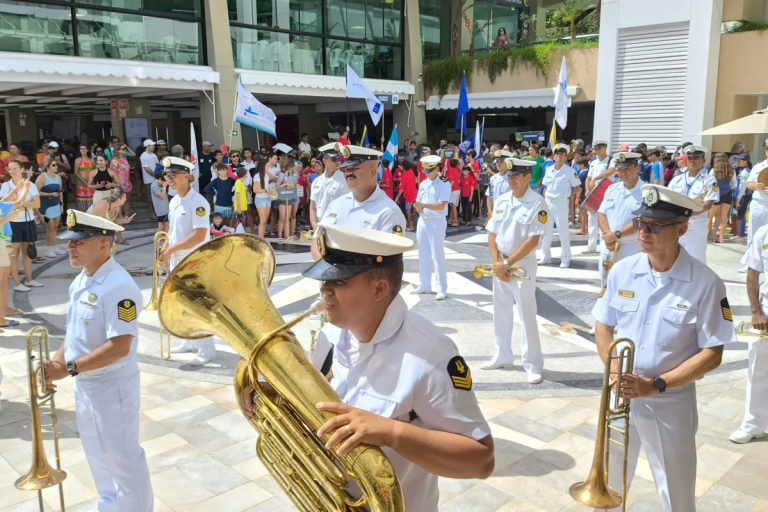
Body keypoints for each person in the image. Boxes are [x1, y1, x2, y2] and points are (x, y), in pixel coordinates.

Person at [238, 224, 494, 511]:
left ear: (379, 289)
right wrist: (284, 398)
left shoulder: (430, 354)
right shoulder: (332, 333)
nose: (324, 289)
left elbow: (481, 460)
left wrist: (392, 433)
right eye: (324, 279)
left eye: (338, 281)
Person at [592, 183, 735, 512]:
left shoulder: (706, 283)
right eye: (640, 223)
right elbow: (603, 325)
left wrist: (656, 384)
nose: (643, 232)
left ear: (681, 230)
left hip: (669, 398)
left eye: (655, 226)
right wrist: (613, 369)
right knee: (607, 485)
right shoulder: (623, 271)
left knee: (675, 491)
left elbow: (713, 353)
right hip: (620, 392)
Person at [44, 210, 153, 512]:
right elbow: (74, 332)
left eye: (79, 242)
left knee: (122, 457)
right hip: (87, 382)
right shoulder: (82, 278)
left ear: (104, 246)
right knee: (97, 453)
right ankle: (110, 506)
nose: (70, 247)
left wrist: (69, 369)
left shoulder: (120, 288)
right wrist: (56, 364)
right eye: (70, 241)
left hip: (112, 385)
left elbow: (120, 347)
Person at [480, 159, 547, 383]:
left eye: (517, 174)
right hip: (500, 263)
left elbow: (533, 240)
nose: (512, 179)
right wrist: (496, 263)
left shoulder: (537, 203)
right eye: (509, 175)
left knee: (526, 314)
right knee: (500, 310)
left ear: (528, 176)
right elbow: (492, 234)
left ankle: (533, 363)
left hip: (522, 264)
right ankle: (503, 354)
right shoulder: (502, 200)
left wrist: (507, 265)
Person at [159, 157, 215, 366]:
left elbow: (199, 236)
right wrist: (166, 247)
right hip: (177, 260)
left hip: (194, 262)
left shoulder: (198, 202)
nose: (169, 180)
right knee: (182, 303)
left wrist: (172, 249)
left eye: (173, 175)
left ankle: (207, 349)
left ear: (186, 176)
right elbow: (174, 231)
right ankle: (189, 341)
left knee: (198, 305)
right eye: (167, 176)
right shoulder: (174, 201)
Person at [313, 146, 405, 262]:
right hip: (331, 271)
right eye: (346, 169)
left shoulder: (389, 212)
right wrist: (329, 269)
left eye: (354, 169)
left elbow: (389, 261)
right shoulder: (336, 205)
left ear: (372, 172)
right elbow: (317, 241)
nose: (348, 173)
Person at [731, 221, 768, 444]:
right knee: (758, 371)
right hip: (766, 314)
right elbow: (752, 274)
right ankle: (753, 425)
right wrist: (756, 312)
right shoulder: (765, 232)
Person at [597, 152, 645, 291]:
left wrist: (616, 235)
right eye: (620, 169)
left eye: (627, 168)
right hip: (609, 246)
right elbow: (601, 213)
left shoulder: (646, 191)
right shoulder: (612, 188)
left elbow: (642, 219)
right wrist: (607, 235)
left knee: (629, 288)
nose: (623, 173)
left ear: (637, 168)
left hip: (632, 248)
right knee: (606, 286)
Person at [666, 145, 717, 264]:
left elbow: (708, 205)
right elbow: (668, 199)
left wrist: (686, 214)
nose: (692, 161)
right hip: (675, 225)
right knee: (674, 260)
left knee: (696, 261)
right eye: (690, 158)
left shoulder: (709, 180)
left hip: (695, 227)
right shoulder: (677, 179)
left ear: (703, 160)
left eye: (696, 158)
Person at [413, 155, 451, 300]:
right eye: (425, 171)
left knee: (437, 255)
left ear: (436, 169)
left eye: (429, 171)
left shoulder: (444, 183)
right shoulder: (424, 183)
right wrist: (418, 207)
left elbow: (442, 205)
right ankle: (424, 284)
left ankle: (441, 288)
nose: (427, 174)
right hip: (423, 220)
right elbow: (418, 201)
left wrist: (424, 205)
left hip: (436, 221)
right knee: (423, 253)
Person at [1, 160, 42, 291]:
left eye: (15, 168)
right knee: (14, 254)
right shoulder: (6, 186)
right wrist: (22, 202)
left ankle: (29, 280)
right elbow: (5, 204)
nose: (12, 171)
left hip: (28, 221)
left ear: (21, 169)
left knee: (27, 252)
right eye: (10, 169)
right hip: (12, 223)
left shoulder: (30, 184)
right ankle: (17, 283)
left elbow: (37, 204)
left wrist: (18, 204)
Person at [540, 143, 581, 267]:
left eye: (562, 154)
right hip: (548, 202)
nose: (559, 156)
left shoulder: (570, 171)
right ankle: (545, 256)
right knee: (546, 231)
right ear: (553, 157)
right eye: (557, 154)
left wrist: (568, 196)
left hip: (561, 203)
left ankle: (565, 258)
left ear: (566, 157)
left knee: (563, 231)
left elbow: (577, 188)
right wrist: (544, 201)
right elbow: (545, 187)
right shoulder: (549, 169)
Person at [309, 143, 349, 230]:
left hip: (336, 227)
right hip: (319, 226)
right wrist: (315, 228)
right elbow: (313, 208)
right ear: (325, 161)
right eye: (334, 159)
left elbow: (346, 208)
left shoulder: (345, 180)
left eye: (339, 158)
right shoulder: (316, 181)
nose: (338, 162)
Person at [584, 141, 611, 253]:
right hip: (594, 193)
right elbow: (588, 177)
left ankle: (605, 245)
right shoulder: (593, 162)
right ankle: (591, 245)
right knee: (592, 219)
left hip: (606, 192)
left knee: (605, 219)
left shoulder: (611, 160)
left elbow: (611, 171)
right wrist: (587, 189)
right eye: (595, 148)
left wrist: (596, 178)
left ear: (605, 148)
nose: (596, 150)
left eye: (599, 148)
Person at [35, 158, 65, 259]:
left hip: (56, 205)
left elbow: (60, 191)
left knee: (55, 227)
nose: (56, 167)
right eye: (53, 165)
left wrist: (61, 204)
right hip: (46, 206)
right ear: (47, 166)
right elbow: (35, 192)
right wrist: (49, 194)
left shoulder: (58, 177)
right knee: (50, 227)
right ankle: (49, 249)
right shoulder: (42, 177)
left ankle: (54, 246)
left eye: (56, 165)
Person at [707, 152, 737, 244]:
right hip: (727, 194)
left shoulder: (714, 170)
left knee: (710, 217)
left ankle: (708, 235)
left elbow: (710, 184)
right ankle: (721, 238)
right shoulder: (732, 170)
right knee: (723, 218)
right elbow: (734, 185)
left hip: (716, 194)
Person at [745, 139, 768, 248]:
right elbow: (748, 184)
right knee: (753, 235)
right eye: (767, 149)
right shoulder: (758, 166)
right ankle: (751, 257)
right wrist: (755, 186)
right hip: (757, 205)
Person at [485, 150, 513, 221]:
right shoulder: (493, 178)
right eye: (497, 161)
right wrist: (490, 210)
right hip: (495, 211)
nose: (498, 164)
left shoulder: (512, 178)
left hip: (508, 212)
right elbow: (489, 196)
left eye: (501, 161)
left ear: (508, 163)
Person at [276, 159, 299, 241]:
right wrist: (286, 184)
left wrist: (291, 186)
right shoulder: (281, 174)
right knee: (282, 217)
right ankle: (279, 236)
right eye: (292, 167)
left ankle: (287, 235)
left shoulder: (291, 174)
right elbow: (277, 185)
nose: (293, 168)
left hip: (289, 196)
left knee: (287, 217)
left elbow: (293, 184)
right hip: (282, 196)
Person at [394, 161, 418, 232]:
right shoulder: (411, 171)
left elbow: (401, 188)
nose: (399, 167)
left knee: (408, 211)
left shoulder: (404, 176)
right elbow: (416, 180)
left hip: (408, 196)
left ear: (403, 167)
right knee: (414, 211)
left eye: (400, 166)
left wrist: (397, 197)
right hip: (414, 194)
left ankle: (411, 226)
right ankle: (413, 224)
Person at [140, 140, 158, 219]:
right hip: (149, 180)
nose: (154, 147)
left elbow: (157, 165)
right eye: (152, 145)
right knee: (150, 197)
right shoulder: (143, 156)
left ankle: (157, 212)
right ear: (147, 146)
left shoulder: (154, 155)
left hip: (156, 179)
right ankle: (152, 214)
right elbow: (146, 168)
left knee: (157, 196)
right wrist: (155, 175)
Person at [74, 143, 95, 212]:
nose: (82, 150)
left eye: (84, 149)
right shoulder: (77, 160)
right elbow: (76, 173)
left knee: (91, 203)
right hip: (81, 184)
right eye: (81, 149)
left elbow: (95, 171)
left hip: (91, 184)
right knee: (81, 204)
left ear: (87, 150)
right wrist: (84, 182)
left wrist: (91, 181)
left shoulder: (92, 160)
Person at [445, 158, 461, 227]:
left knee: (453, 207)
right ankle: (450, 219)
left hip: (453, 190)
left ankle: (456, 221)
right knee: (452, 205)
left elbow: (452, 182)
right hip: (457, 189)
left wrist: (448, 190)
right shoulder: (457, 170)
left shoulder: (451, 171)